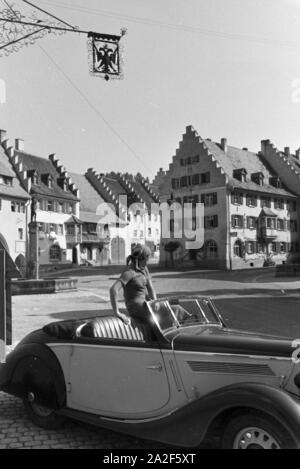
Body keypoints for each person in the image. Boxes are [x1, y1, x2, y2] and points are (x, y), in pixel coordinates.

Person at [110, 244, 157, 327]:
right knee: (157, 318)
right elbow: (113, 289)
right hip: (135, 307)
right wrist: (116, 312)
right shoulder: (129, 272)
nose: (147, 262)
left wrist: (155, 302)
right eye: (147, 259)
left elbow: (150, 287)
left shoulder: (144, 269)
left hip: (146, 304)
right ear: (141, 258)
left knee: (174, 310)